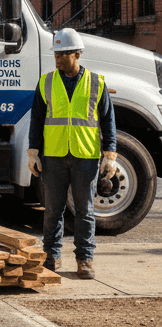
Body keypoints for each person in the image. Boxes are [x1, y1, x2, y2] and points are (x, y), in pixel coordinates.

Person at [28, 27, 117, 279]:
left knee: (85, 211)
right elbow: (36, 119)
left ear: (77, 54)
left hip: (85, 157)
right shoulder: (46, 82)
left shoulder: (96, 83)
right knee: (53, 211)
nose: (57, 59)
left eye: (63, 54)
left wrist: (110, 155)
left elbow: (108, 121)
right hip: (54, 155)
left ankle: (85, 260)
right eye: (55, 54)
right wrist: (33, 152)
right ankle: (51, 256)